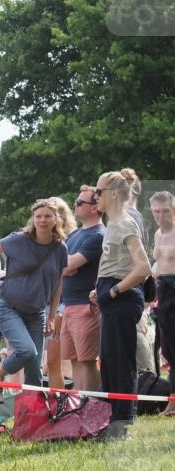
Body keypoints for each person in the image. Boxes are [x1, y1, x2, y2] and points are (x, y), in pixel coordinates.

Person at [91, 171, 153, 437]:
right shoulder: (113, 224)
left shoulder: (125, 224)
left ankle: (122, 424)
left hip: (123, 299)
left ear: (113, 193)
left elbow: (143, 268)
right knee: (109, 360)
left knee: (120, 362)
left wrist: (115, 290)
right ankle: (111, 420)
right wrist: (100, 290)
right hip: (110, 297)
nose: (95, 197)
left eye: (99, 191)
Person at [0, 200, 68, 397]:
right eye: (38, 216)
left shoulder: (60, 248)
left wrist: (51, 316)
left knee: (34, 371)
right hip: (9, 306)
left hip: (36, 313)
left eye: (48, 216)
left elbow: (58, 285)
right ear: (33, 218)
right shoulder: (19, 239)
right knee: (27, 351)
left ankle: (33, 422)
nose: (43, 220)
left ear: (56, 219)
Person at [60, 187, 105, 393]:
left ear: (95, 207)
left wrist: (65, 267)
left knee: (87, 360)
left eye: (80, 203)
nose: (75, 205)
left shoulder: (98, 234)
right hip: (69, 304)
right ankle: (81, 407)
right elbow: (61, 265)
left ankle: (93, 407)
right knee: (74, 360)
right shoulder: (75, 234)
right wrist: (65, 267)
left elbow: (67, 266)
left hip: (85, 306)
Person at [44, 197, 78, 390]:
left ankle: (66, 405)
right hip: (46, 304)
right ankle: (56, 405)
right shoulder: (43, 240)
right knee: (50, 364)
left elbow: (70, 268)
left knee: (61, 362)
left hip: (64, 304)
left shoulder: (71, 239)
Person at [150, 191, 175, 415]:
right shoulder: (158, 234)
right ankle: (173, 401)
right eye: (156, 212)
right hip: (163, 294)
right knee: (168, 350)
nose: (161, 216)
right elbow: (157, 267)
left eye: (165, 211)